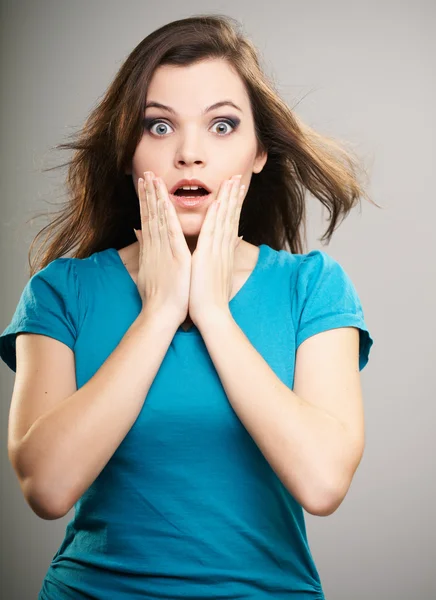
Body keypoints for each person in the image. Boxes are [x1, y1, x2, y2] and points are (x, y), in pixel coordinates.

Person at [0, 14, 377, 600]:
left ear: (258, 154)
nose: (190, 154)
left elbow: (323, 482)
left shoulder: (312, 287)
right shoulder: (61, 291)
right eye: (158, 127)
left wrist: (213, 313)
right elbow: (46, 488)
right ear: (127, 152)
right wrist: (158, 312)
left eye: (223, 125)